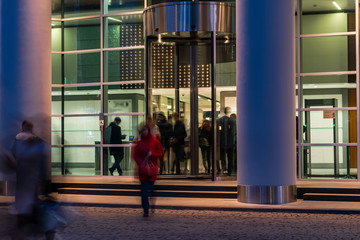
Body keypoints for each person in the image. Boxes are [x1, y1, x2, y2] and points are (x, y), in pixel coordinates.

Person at [11, 120, 53, 239]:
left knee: (22, 214)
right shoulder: (38, 142)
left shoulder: (16, 141)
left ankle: (23, 232)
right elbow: (43, 166)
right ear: (32, 128)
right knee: (36, 211)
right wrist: (45, 186)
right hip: (34, 183)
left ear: (23, 128)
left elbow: (12, 158)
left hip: (21, 183)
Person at [132, 125, 163, 217]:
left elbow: (160, 153)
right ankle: (146, 209)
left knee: (149, 189)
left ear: (148, 131)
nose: (144, 132)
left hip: (152, 170)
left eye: (145, 130)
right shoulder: (140, 143)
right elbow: (135, 155)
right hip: (143, 171)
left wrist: (151, 154)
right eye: (142, 131)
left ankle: (151, 203)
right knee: (144, 191)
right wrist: (141, 163)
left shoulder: (154, 141)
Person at [218, 107, 236, 176]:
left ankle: (223, 169)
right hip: (231, 143)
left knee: (223, 157)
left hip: (222, 142)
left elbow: (219, 132)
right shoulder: (233, 120)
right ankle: (229, 172)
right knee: (230, 158)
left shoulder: (220, 120)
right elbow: (234, 132)